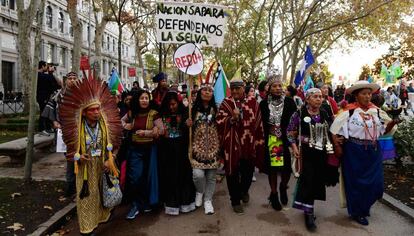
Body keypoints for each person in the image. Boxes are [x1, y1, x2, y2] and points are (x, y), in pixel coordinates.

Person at [59, 76, 123, 235]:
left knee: (103, 196)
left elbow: (116, 145)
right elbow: (70, 150)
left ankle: (103, 217)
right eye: (92, 110)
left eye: (98, 109)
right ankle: (87, 229)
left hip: (103, 166)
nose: (96, 112)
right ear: (84, 112)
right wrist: (78, 157)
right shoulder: (77, 127)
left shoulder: (105, 125)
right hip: (85, 170)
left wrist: (111, 159)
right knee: (86, 198)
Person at [330, 80, 399, 226]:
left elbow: (383, 131)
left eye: (369, 94)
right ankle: (358, 212)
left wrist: (393, 122)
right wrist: (337, 146)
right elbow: (334, 129)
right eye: (364, 94)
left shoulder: (377, 111)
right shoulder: (349, 111)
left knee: (377, 185)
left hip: (373, 151)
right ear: (356, 96)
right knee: (355, 183)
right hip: (353, 151)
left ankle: (364, 207)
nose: (367, 97)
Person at [287, 88, 338, 231]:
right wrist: (294, 147)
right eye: (315, 96)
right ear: (307, 99)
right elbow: (290, 132)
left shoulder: (324, 113)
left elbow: (332, 130)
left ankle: (309, 208)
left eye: (320, 96)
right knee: (308, 180)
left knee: (316, 181)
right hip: (306, 154)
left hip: (321, 153)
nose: (318, 99)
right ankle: (309, 214)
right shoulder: (299, 113)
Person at [216, 75, 264, 215]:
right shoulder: (226, 103)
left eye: (238, 88)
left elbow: (258, 123)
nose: (235, 91)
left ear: (243, 88)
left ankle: (244, 191)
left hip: (249, 144)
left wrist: (259, 141)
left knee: (248, 173)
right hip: (231, 146)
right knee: (232, 173)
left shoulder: (253, 102)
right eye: (233, 89)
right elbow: (219, 122)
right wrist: (232, 118)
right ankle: (235, 201)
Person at [121, 90, 163, 219]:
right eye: (141, 98)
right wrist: (126, 125)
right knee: (135, 178)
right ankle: (135, 204)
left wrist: (147, 133)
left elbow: (161, 130)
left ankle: (145, 203)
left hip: (150, 150)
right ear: (136, 100)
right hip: (135, 151)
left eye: (146, 98)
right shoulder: (131, 113)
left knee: (148, 178)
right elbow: (119, 122)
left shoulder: (154, 114)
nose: (144, 100)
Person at [260, 78, 297, 211]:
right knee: (273, 170)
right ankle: (274, 194)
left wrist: (293, 139)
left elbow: (294, 122)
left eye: (280, 86)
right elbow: (260, 123)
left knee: (287, 170)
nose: (277, 88)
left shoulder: (290, 102)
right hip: (272, 141)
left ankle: (283, 187)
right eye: (274, 86)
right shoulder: (263, 104)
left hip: (286, 140)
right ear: (269, 89)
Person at [158, 91, 196, 215]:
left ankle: (186, 203)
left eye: (173, 104)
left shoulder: (185, 113)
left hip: (181, 150)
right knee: (170, 177)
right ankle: (172, 204)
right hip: (167, 151)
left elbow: (189, 132)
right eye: (169, 105)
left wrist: (188, 125)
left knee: (183, 175)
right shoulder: (161, 115)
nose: (171, 107)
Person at [42, 71, 79, 197]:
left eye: (75, 78)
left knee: (78, 156)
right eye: (70, 78)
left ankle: (78, 184)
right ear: (66, 80)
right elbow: (50, 107)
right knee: (69, 157)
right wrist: (54, 122)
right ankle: (70, 186)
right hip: (63, 131)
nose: (72, 80)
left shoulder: (82, 95)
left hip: (79, 131)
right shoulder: (58, 94)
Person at [187, 82, 220, 215]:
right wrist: (187, 123)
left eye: (210, 91)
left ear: (213, 94)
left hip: (213, 148)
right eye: (204, 90)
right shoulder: (192, 109)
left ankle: (208, 201)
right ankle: (199, 192)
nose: (207, 92)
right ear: (200, 93)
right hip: (197, 149)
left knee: (211, 177)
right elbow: (185, 125)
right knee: (197, 175)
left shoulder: (217, 109)